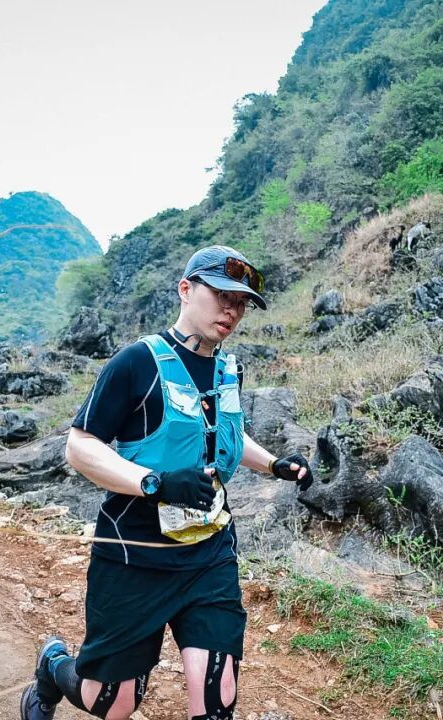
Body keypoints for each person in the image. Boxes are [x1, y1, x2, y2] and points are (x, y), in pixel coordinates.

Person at [20, 245, 313, 720]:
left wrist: (273, 463)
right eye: (221, 296)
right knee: (111, 702)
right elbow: (80, 445)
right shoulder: (137, 362)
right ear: (185, 290)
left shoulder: (227, 368)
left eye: (240, 303)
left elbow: (221, 433)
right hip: (134, 552)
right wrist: (154, 482)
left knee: (216, 700)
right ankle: (54, 667)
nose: (231, 310)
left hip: (208, 555)